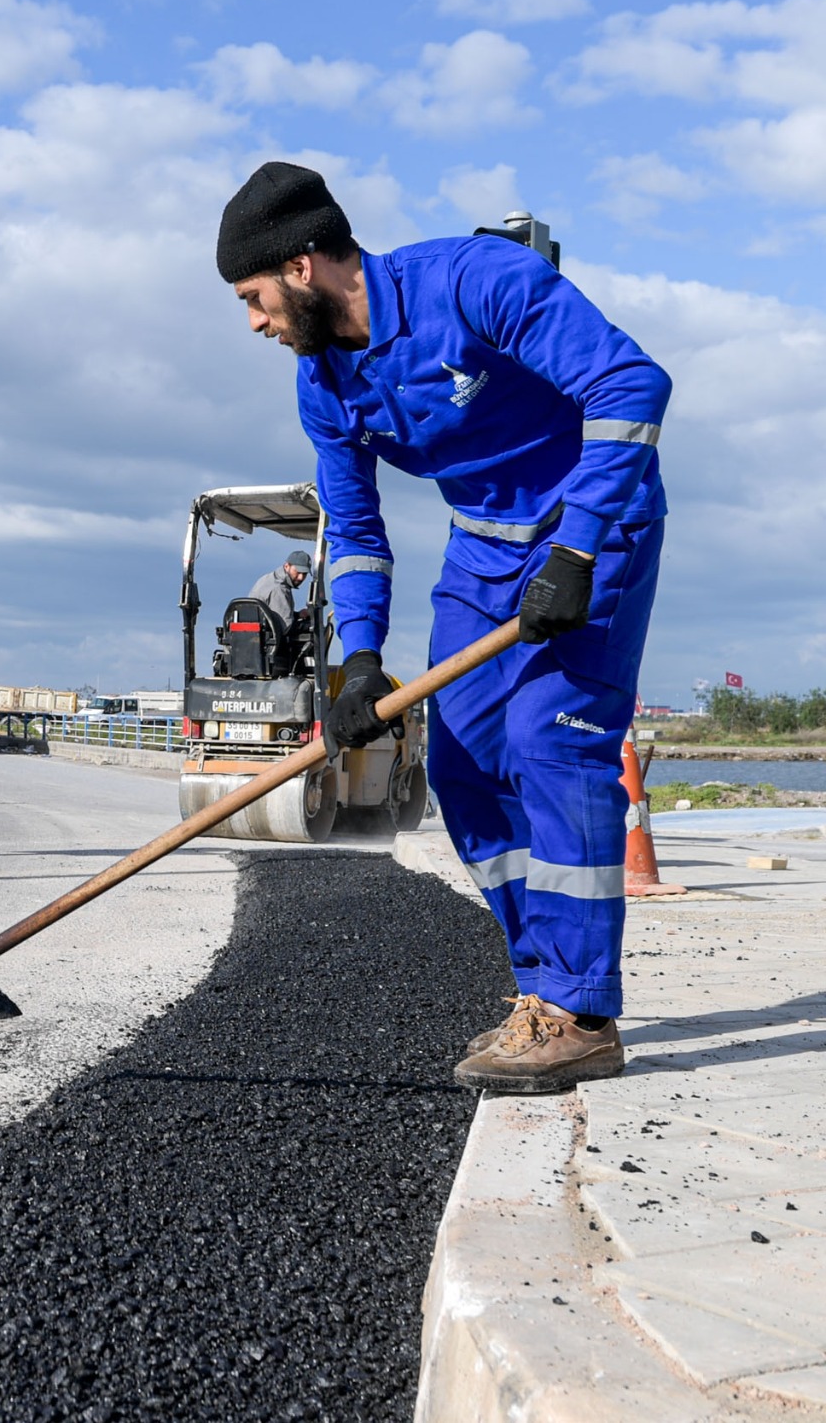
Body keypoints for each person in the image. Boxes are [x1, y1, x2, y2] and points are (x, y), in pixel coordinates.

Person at [217, 162, 669, 1095]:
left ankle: (583, 1013)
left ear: (302, 267)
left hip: (596, 525)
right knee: (459, 764)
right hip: (483, 552)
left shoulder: (473, 283)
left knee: (552, 743)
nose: (254, 323)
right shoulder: (325, 386)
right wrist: (363, 658)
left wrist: (577, 550)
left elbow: (631, 384)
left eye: (253, 298)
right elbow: (355, 528)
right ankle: (544, 988)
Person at [246, 549, 312, 653]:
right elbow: (286, 628)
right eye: (298, 572)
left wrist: (297, 615)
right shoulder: (280, 588)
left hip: (253, 640)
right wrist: (311, 625)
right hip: (266, 647)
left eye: (304, 574)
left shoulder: (267, 579)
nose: (300, 577)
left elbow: (273, 614)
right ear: (287, 566)